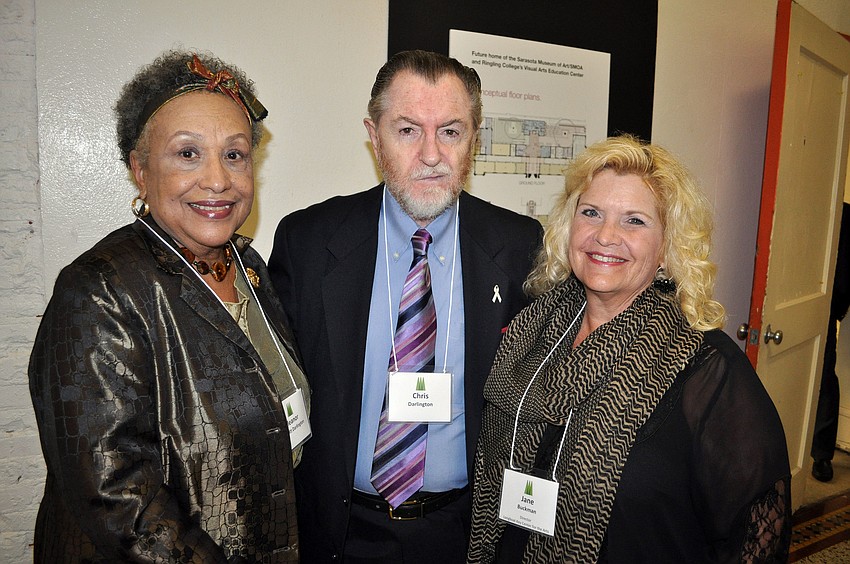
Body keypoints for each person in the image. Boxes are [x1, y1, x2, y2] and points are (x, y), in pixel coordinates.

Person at [29, 49, 309, 561]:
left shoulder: (248, 267)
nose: (218, 179)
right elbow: (121, 503)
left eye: (234, 154)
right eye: (187, 153)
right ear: (140, 170)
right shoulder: (98, 290)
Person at [268, 50, 543, 563]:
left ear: (474, 140)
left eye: (451, 131)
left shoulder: (521, 246)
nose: (432, 154)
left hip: (465, 535)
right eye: (408, 130)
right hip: (339, 532)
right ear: (374, 137)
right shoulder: (307, 242)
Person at [466, 135, 791, 563]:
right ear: (569, 225)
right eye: (591, 213)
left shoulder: (707, 370)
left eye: (634, 221)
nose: (605, 235)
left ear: (667, 248)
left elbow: (758, 533)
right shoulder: (531, 332)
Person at [811, 201, 850, 482]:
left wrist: (834, 308)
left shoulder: (845, 214)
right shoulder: (804, 205)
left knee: (824, 376)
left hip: (825, 306)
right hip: (789, 299)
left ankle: (822, 454)